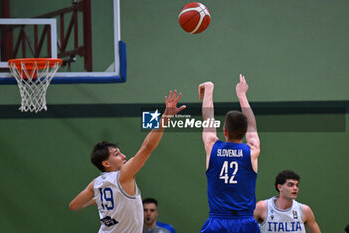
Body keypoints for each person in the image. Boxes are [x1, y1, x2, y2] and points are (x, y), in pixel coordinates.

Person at [69, 90, 186, 233]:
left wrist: (95, 201)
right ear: (106, 163)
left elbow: (73, 206)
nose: (123, 156)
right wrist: (166, 116)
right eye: (117, 154)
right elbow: (147, 147)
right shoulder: (123, 175)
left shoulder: (95, 184)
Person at [199, 74, 261, 233]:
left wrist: (209, 89)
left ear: (225, 130)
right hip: (245, 222)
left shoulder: (212, 147)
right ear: (244, 132)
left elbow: (208, 119)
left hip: (218, 221)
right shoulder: (251, 151)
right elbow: (252, 128)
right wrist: (242, 95)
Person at [254, 170, 321, 233]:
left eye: (297, 185)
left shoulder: (304, 210)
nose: (295, 188)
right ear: (280, 187)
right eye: (290, 185)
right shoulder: (262, 207)